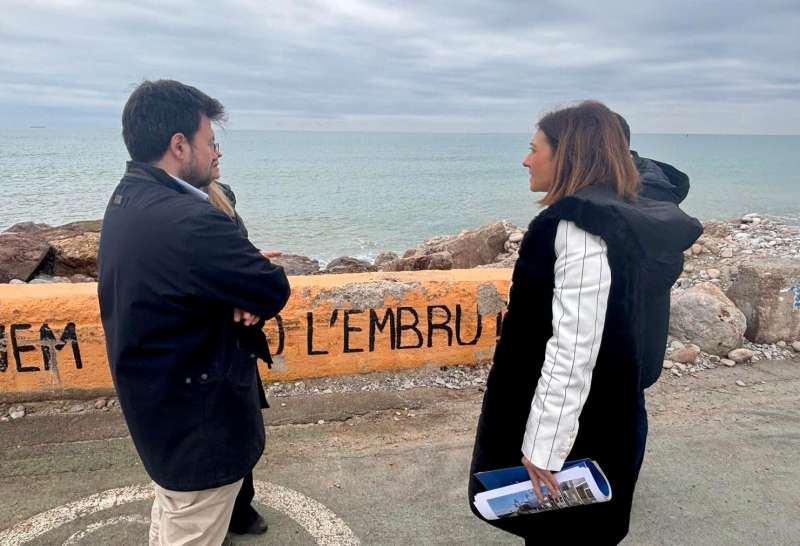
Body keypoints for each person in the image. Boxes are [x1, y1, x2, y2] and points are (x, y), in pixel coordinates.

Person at [469, 101, 702, 544]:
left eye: (534, 148)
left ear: (566, 155)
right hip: (606, 407)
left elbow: (573, 346)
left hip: (582, 424)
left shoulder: (578, 227)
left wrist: (544, 448)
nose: (525, 160)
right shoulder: (615, 212)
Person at [98, 79, 291, 546]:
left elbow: (180, 284)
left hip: (158, 409)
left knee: (173, 516)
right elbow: (272, 287)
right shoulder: (190, 220)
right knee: (192, 528)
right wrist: (243, 287)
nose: (214, 152)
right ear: (179, 145)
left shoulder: (128, 198)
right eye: (209, 141)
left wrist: (234, 285)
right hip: (197, 424)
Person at [204, 166, 277, 537]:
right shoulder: (179, 210)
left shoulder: (224, 197)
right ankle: (216, 514)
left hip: (238, 341)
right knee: (210, 432)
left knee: (241, 426)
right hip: (206, 338)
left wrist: (250, 294)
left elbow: (239, 258)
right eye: (210, 143)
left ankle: (240, 506)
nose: (217, 153)